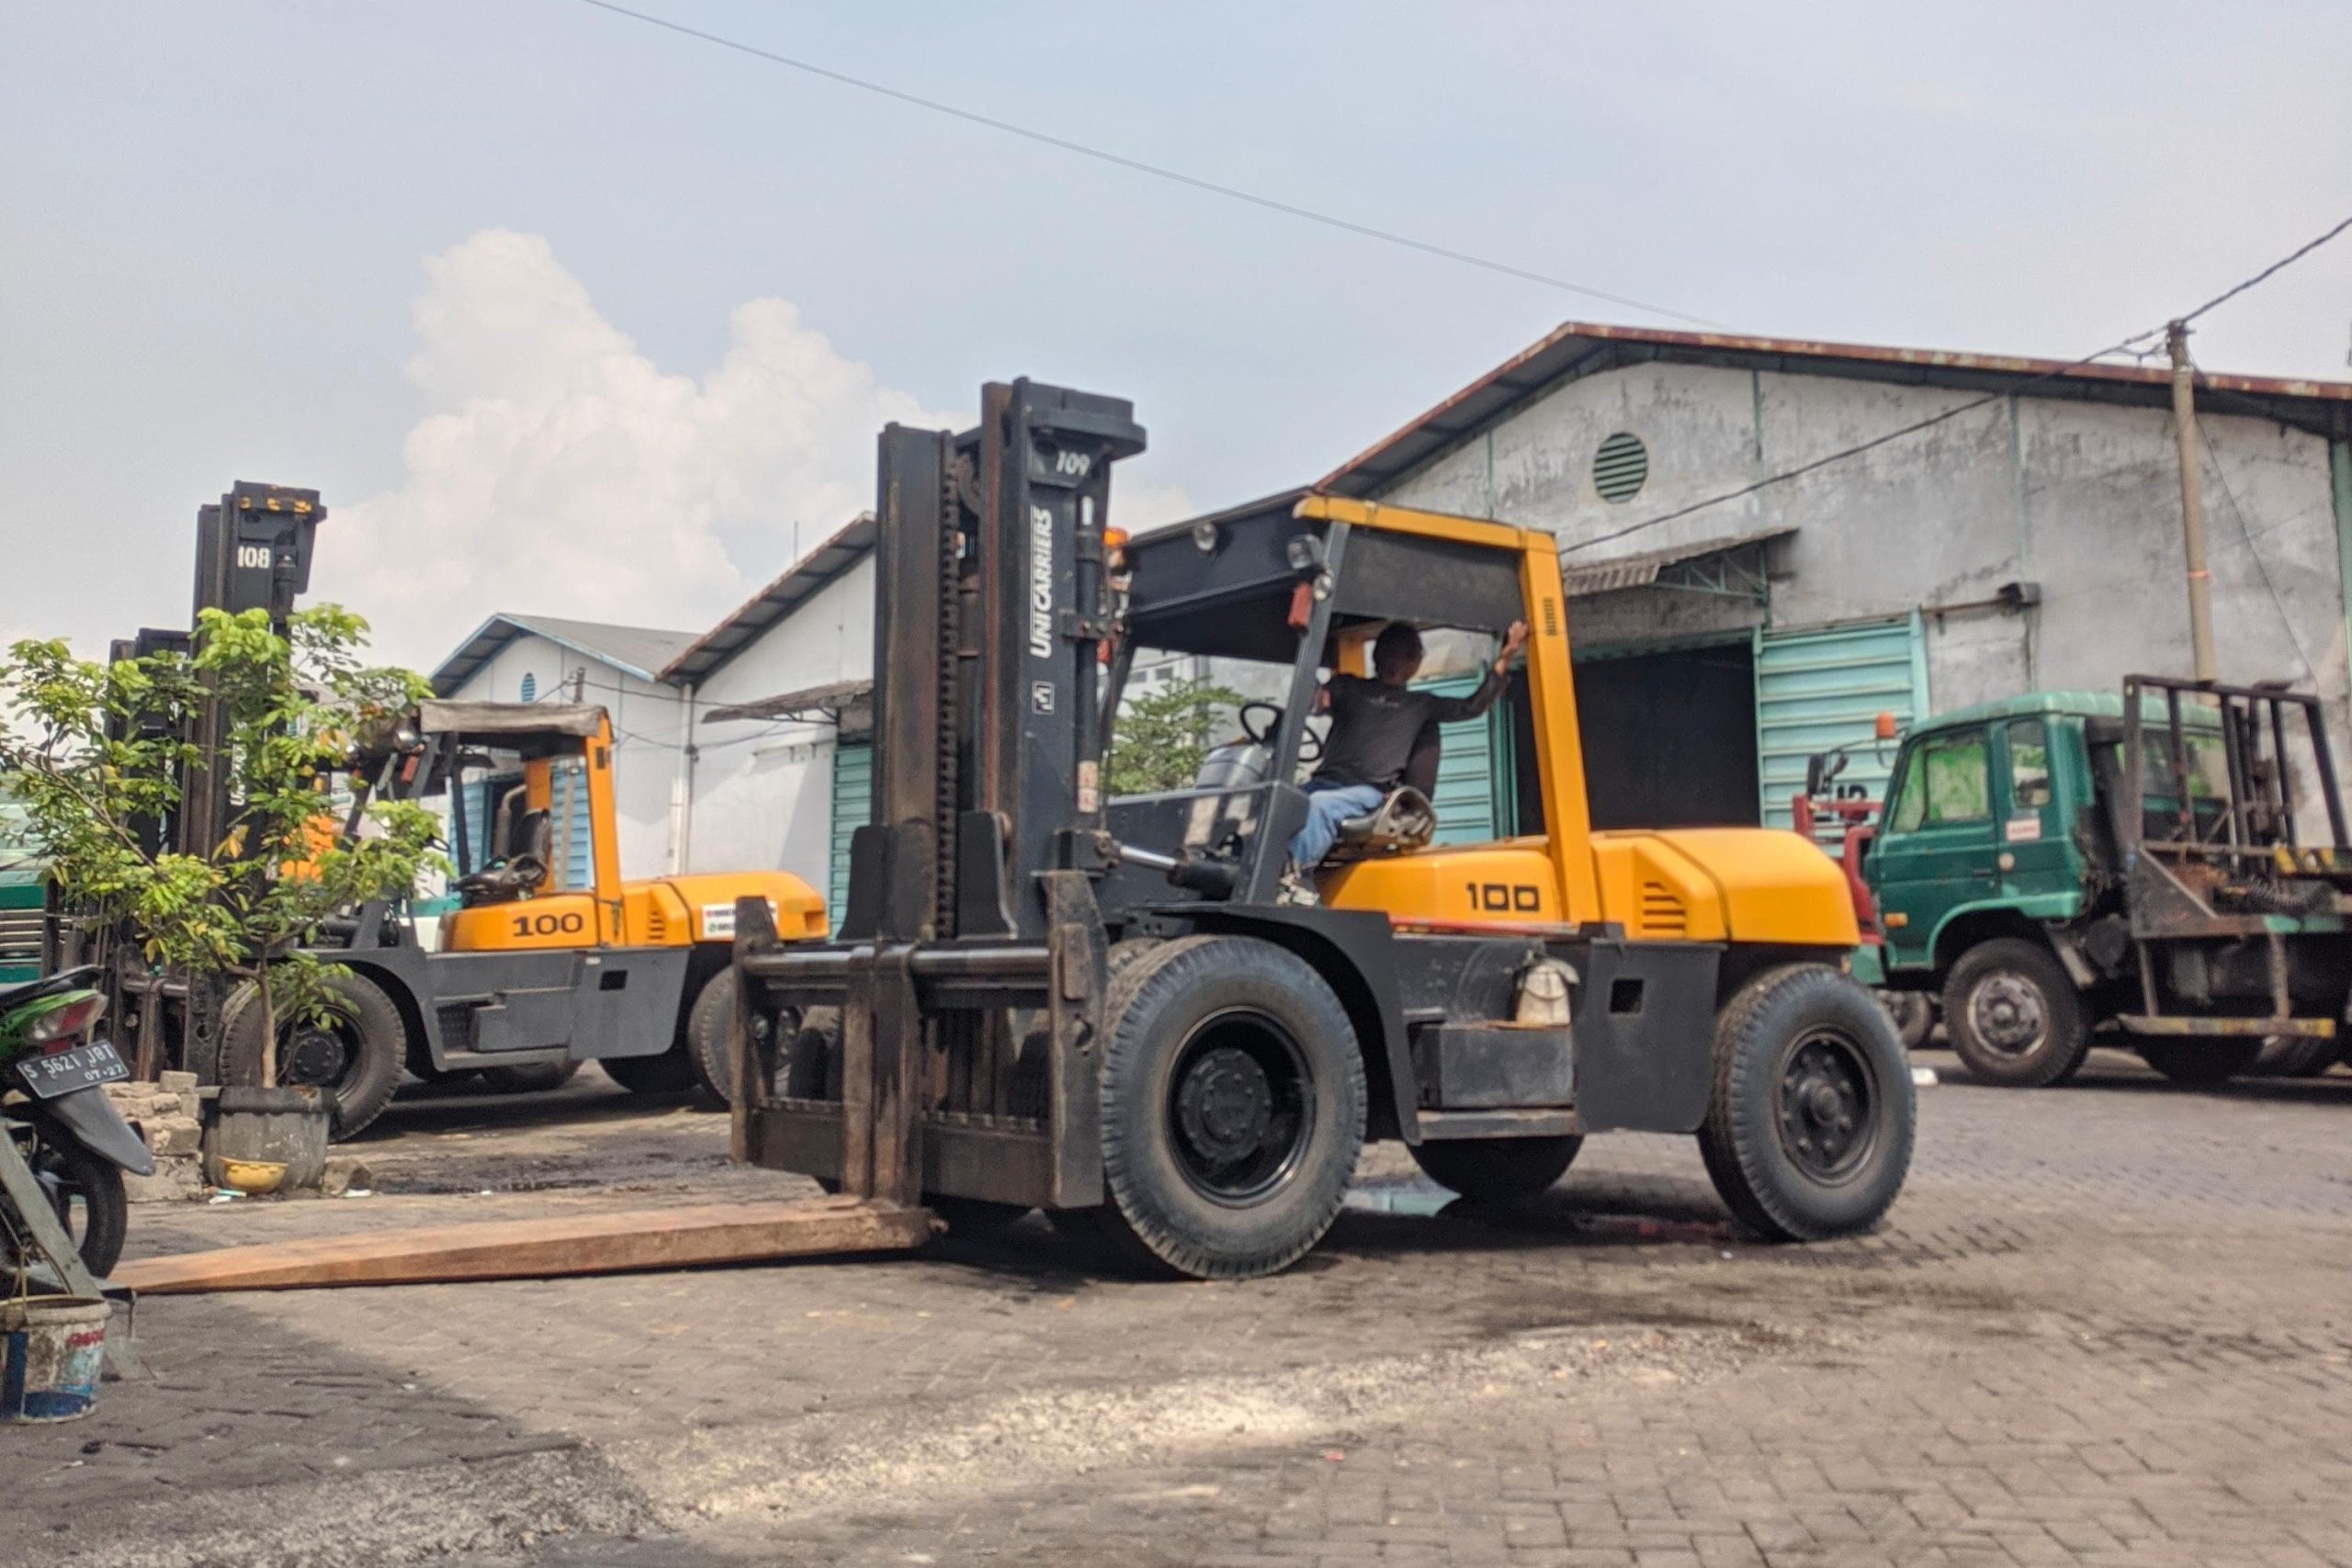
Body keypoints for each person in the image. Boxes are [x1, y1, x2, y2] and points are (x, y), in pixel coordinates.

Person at [1284, 618, 1529, 892]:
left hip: (1368, 791)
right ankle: (1257, 871)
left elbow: (1472, 706)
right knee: (1273, 800)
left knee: (1318, 806)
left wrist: (1506, 656)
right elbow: (1320, 699)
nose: (1392, 660)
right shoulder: (1348, 687)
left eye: (1399, 653)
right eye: (1390, 652)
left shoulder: (1420, 705)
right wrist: (1310, 683)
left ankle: (1297, 882)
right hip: (1324, 782)